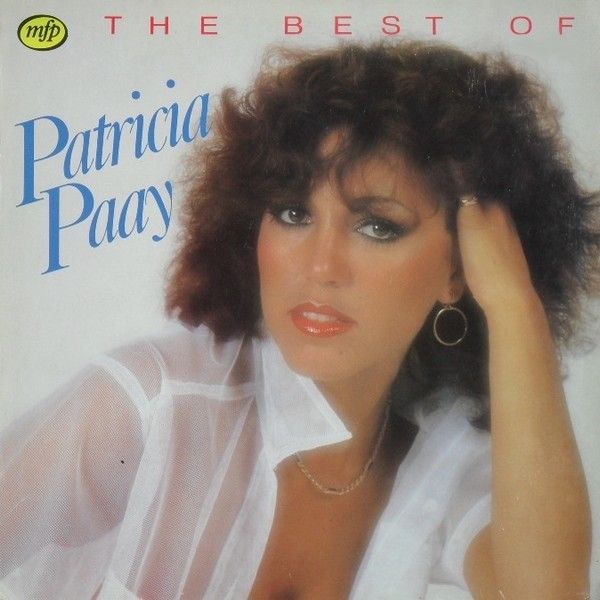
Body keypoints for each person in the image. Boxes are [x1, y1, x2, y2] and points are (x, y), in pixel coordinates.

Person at [0, 41, 597, 599]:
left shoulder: (444, 465)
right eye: (292, 213)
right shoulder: (149, 404)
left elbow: (546, 592)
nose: (320, 267)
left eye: (377, 226)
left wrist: (514, 304)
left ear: (459, 271)